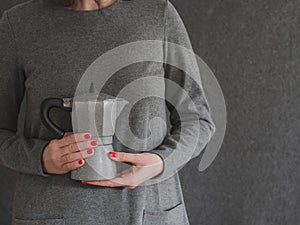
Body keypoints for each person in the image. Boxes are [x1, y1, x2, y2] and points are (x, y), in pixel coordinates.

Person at [0, 0, 215, 224]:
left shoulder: (158, 14)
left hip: (146, 210)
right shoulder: (19, 24)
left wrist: (161, 161)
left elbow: (197, 119)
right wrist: (40, 157)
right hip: (52, 213)